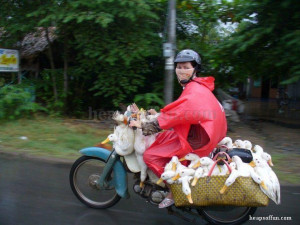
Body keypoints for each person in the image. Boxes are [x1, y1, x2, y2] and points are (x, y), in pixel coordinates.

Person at [129, 49, 227, 208]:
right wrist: (158, 114)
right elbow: (178, 111)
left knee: (150, 155)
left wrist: (145, 125)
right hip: (199, 133)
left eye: (186, 67)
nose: (181, 71)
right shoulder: (196, 86)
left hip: (198, 141)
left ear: (195, 69)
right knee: (161, 138)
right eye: (179, 67)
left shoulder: (194, 91)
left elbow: (179, 113)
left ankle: (174, 190)